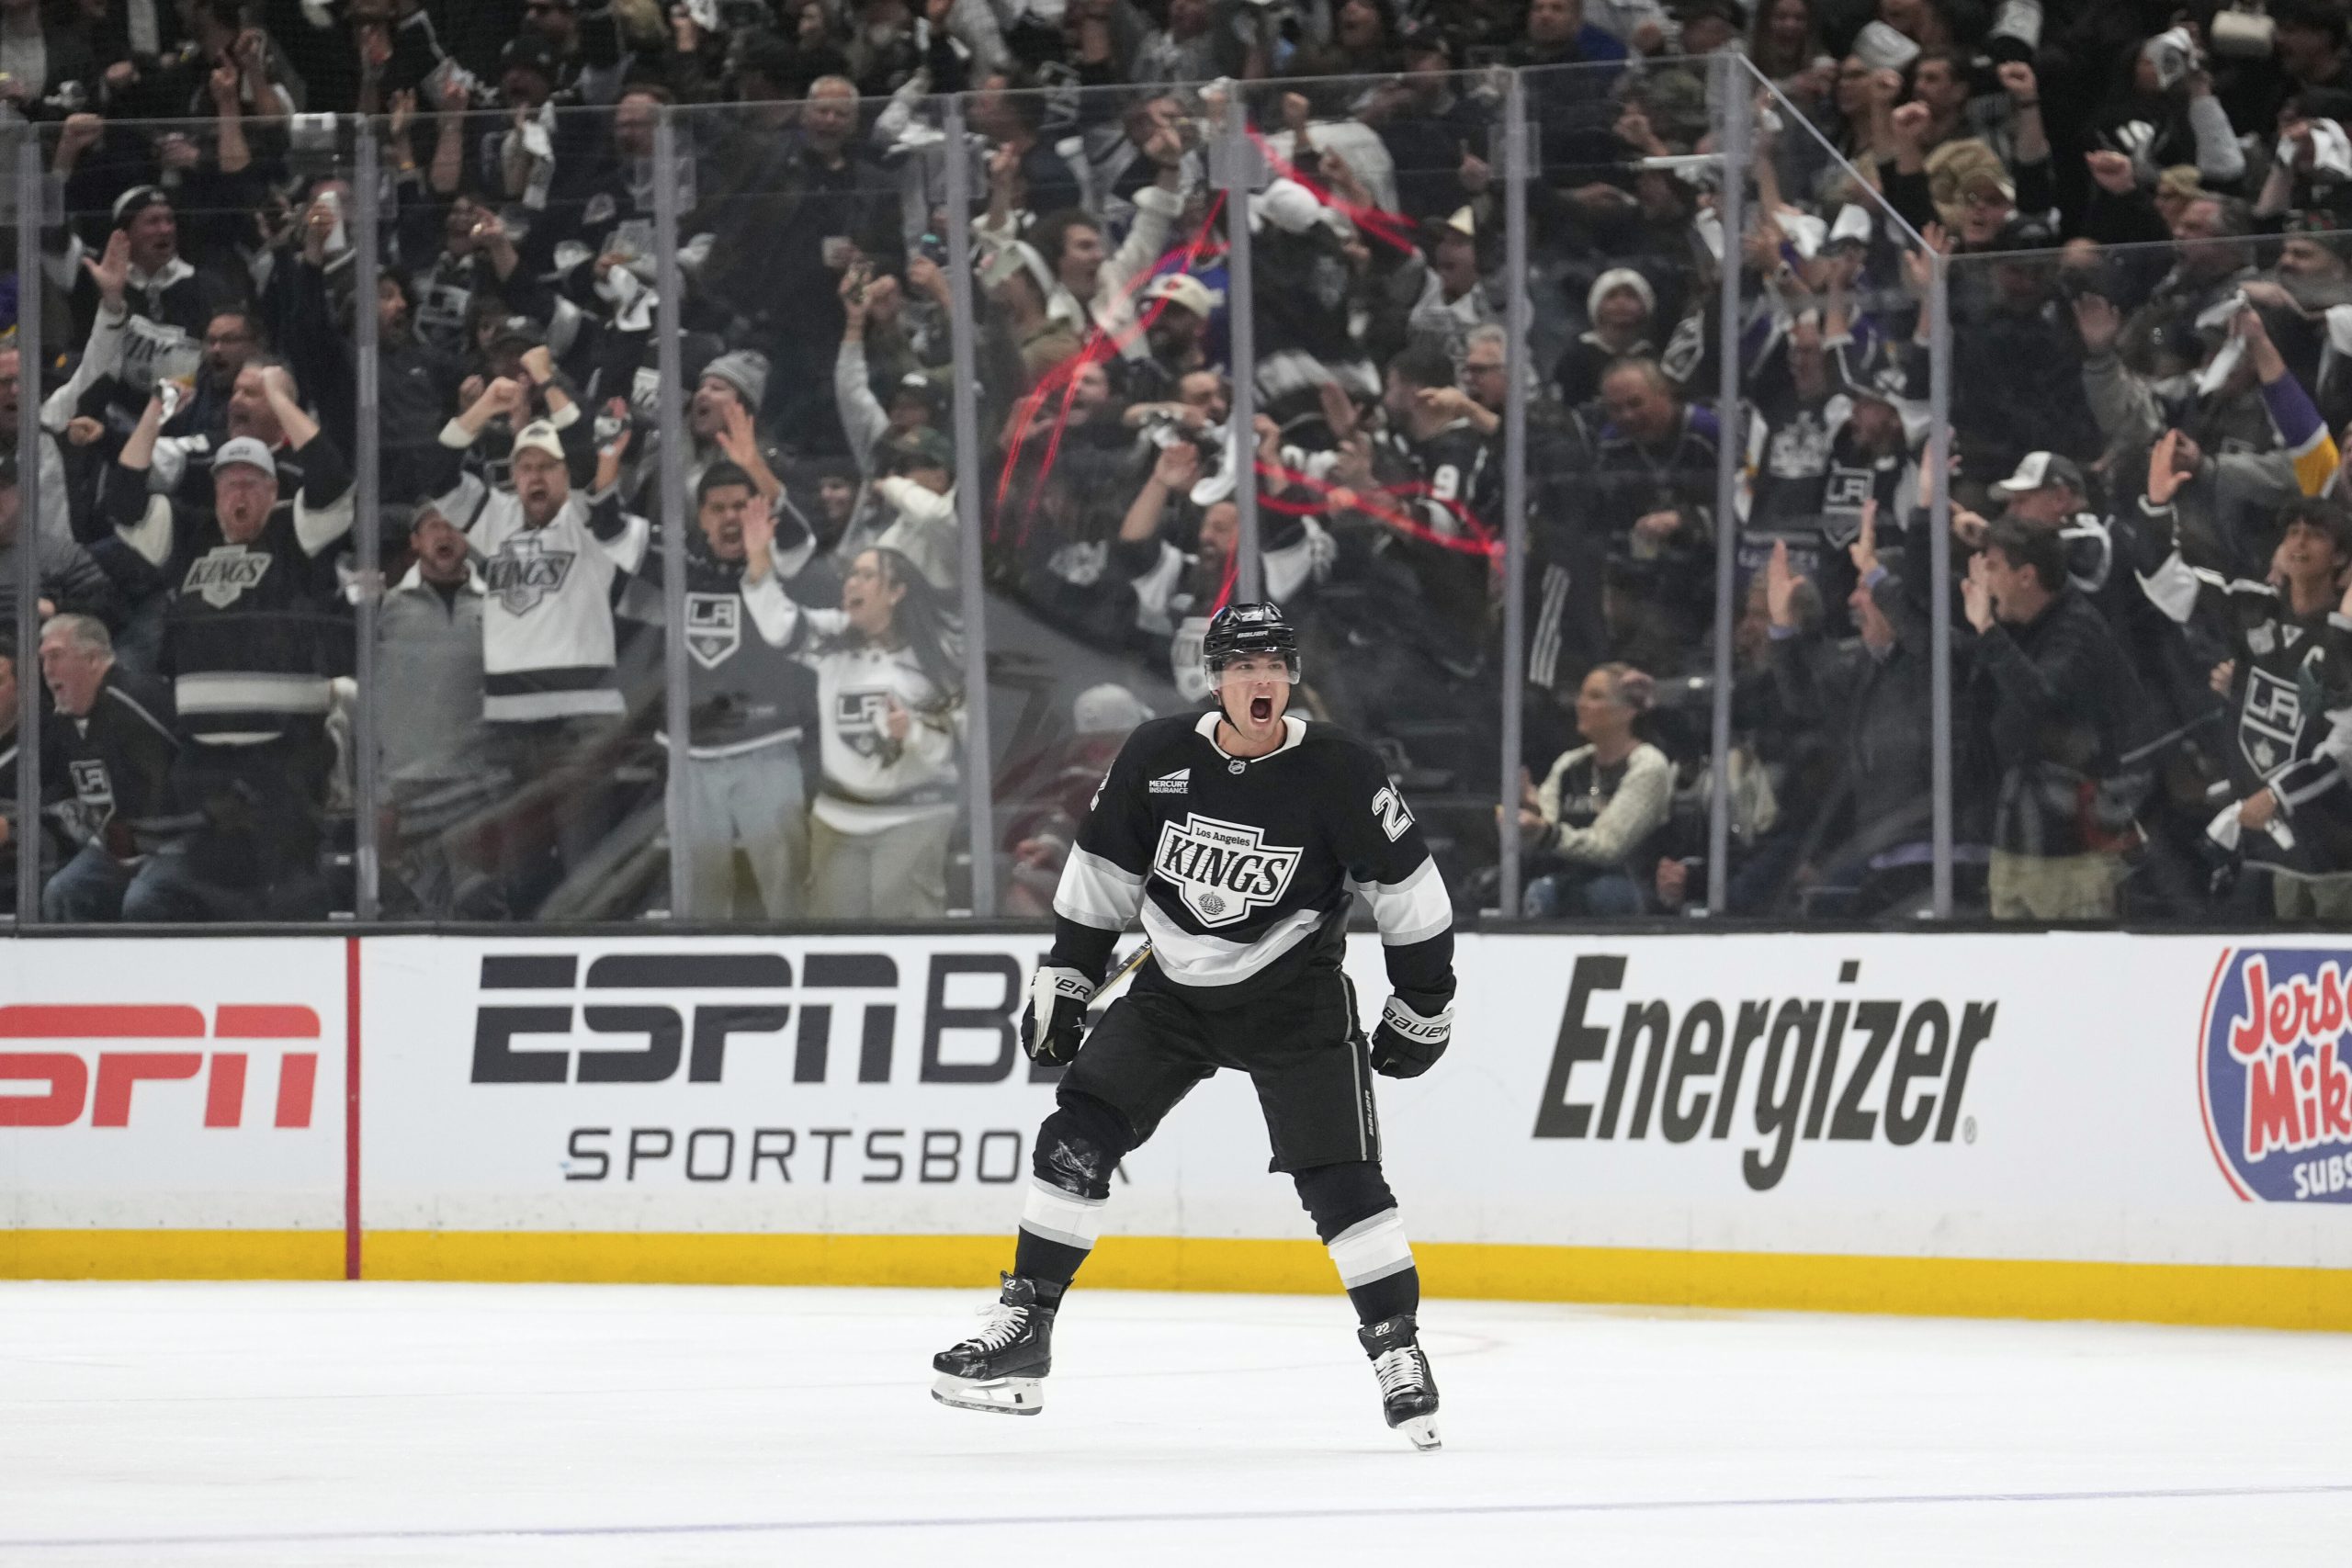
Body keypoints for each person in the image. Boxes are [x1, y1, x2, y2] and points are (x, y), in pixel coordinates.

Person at [927, 603, 1456, 1450]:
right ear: (1215, 679)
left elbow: (1411, 895)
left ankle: (1398, 1349)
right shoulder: (1158, 755)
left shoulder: (1341, 770)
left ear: (1290, 678)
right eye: (1244, 666)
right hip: (1172, 993)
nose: (1262, 680)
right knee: (1077, 1133)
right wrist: (1067, 970)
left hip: (1294, 1001)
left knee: (1341, 1181)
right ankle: (1025, 1326)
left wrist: (1425, 998)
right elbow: (1100, 869)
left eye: (1275, 665)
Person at [105, 377, 354, 921]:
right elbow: (121, 500)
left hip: (285, 757)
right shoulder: (190, 536)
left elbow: (333, 478)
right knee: (206, 896)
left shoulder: (296, 532)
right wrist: (156, 411)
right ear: (215, 491)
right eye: (229, 483)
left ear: (273, 492)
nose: (239, 493)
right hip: (203, 763)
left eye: (252, 483)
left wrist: (281, 400)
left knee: (288, 896)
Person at [740, 522, 962, 919]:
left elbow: (951, 750)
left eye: (866, 575)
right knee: (835, 941)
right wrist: (759, 560)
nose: (851, 584)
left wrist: (911, 731)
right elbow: (780, 624)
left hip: (913, 817)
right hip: (838, 820)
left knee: (904, 932)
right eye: (850, 575)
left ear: (896, 592)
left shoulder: (933, 657)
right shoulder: (834, 637)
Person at [1963, 518, 2155, 920]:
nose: (1983, 583)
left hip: (2073, 852)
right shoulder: (2019, 625)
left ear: (2027, 577)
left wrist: (1986, 628)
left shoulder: (2077, 629)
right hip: (2016, 839)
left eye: (1992, 568)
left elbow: (2043, 699)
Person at [36, 615, 176, 922]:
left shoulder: (139, 699)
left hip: (171, 842)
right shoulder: (61, 722)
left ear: (93, 659)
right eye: (43, 659)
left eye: (56, 656)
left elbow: (184, 770)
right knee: (63, 890)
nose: (47, 670)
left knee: (144, 900)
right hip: (114, 849)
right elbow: (50, 786)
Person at [1517, 663, 1674, 917]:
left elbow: (1609, 847)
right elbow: (1545, 825)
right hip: (1567, 880)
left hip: (1629, 886)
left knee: (1605, 895)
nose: (1581, 704)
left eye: (1595, 697)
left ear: (1627, 711)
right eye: (1581, 695)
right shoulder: (1570, 763)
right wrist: (1531, 813)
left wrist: (1546, 833)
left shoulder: (1648, 765)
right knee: (1537, 891)